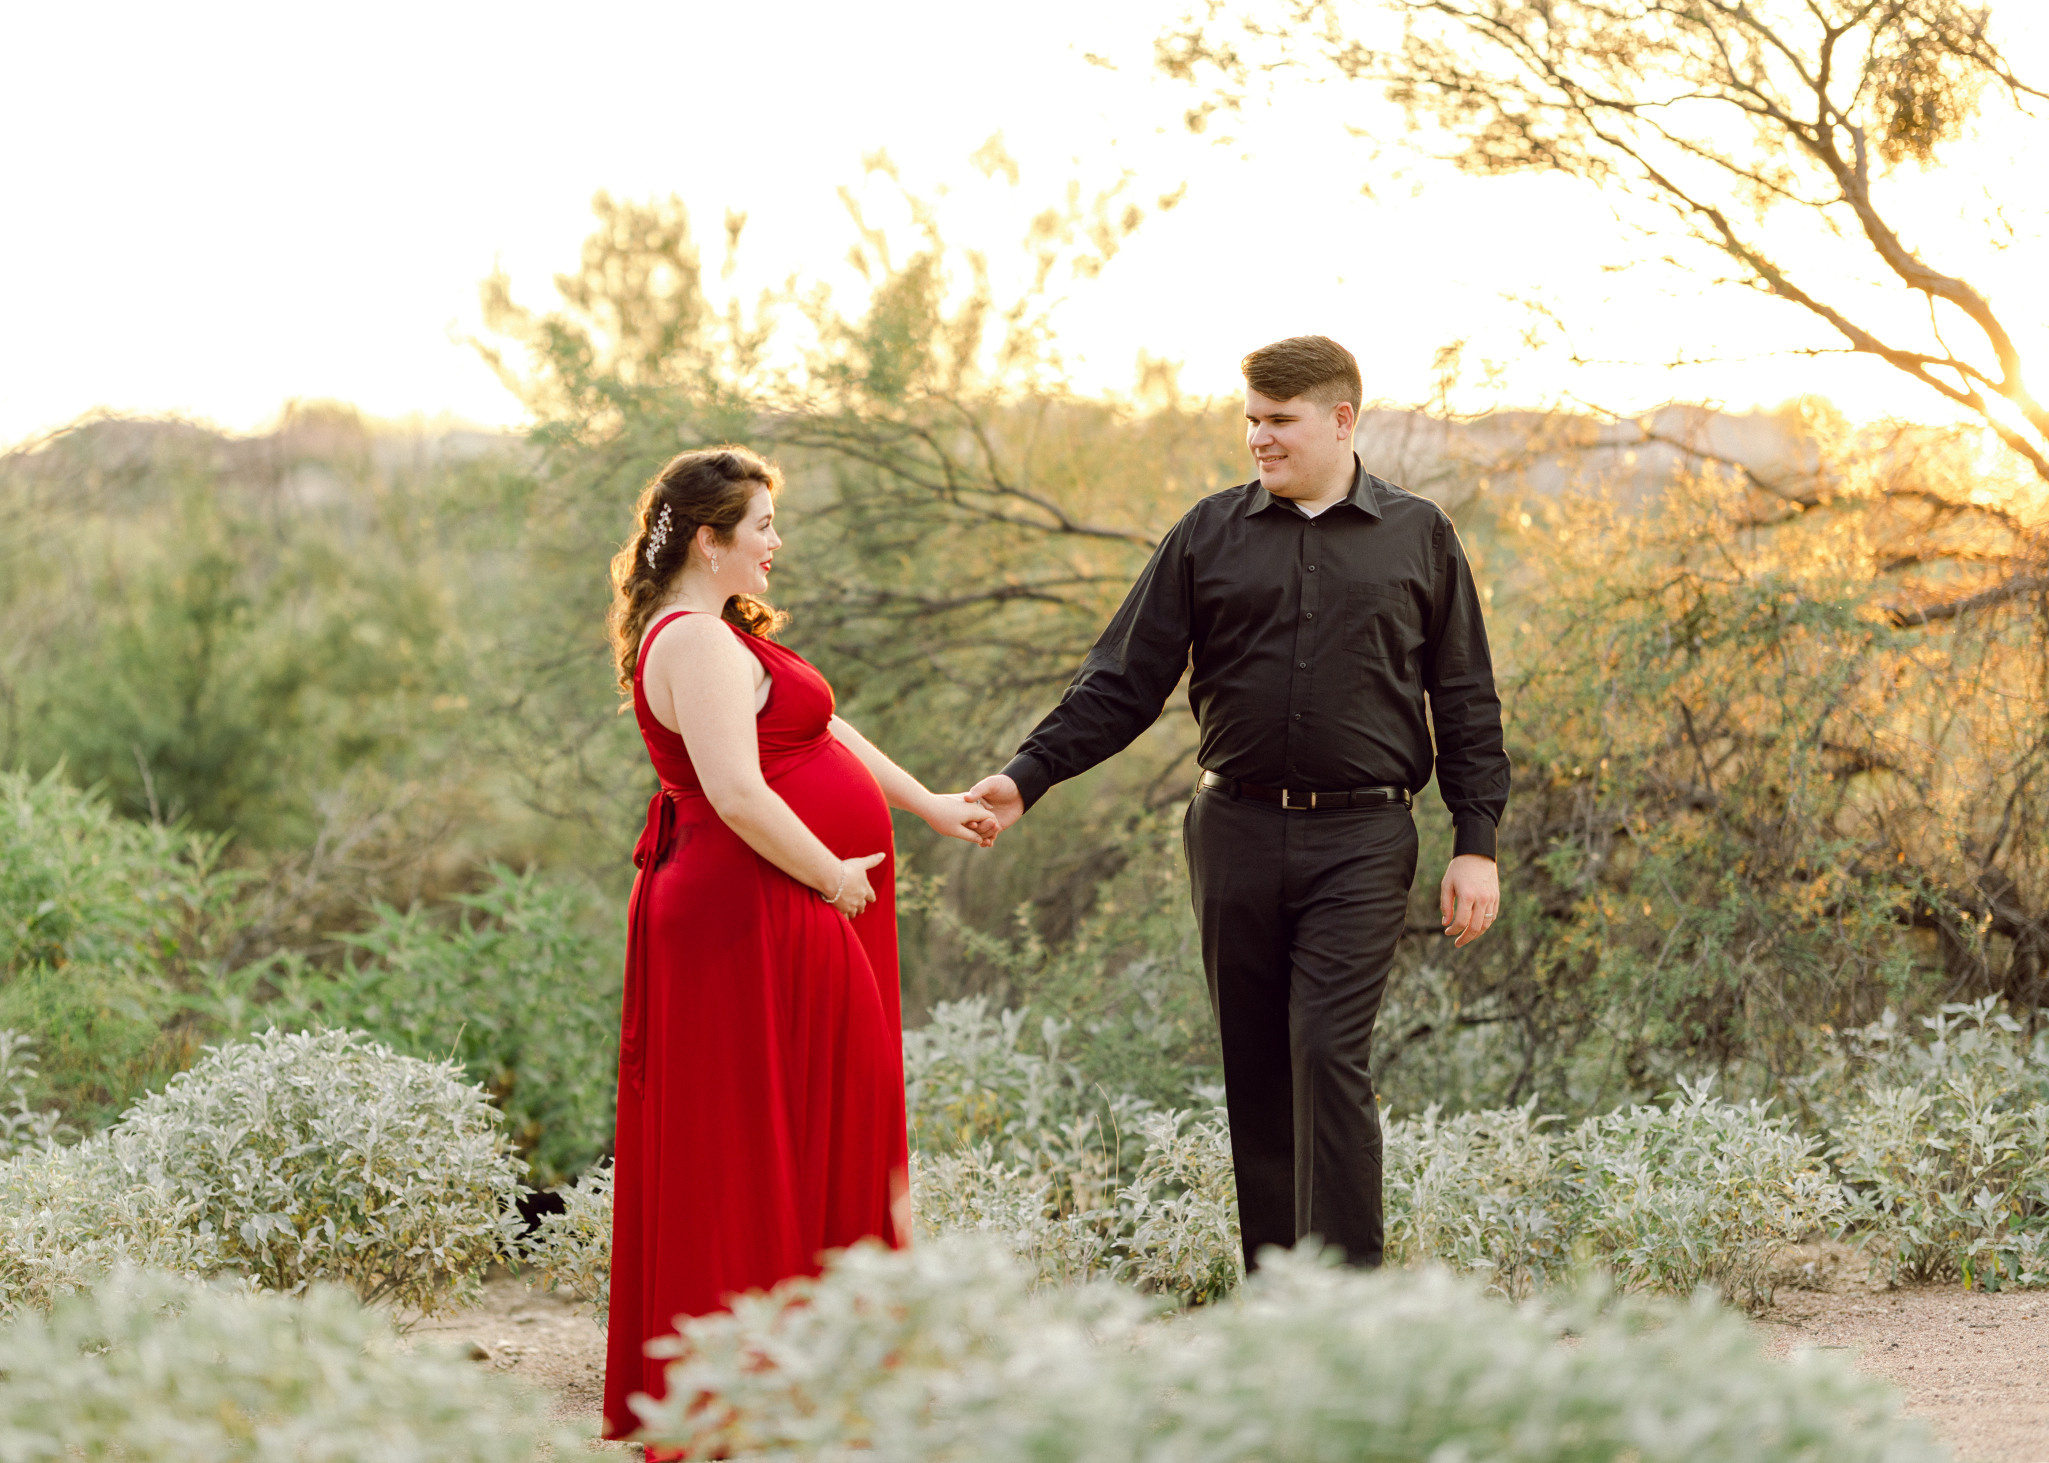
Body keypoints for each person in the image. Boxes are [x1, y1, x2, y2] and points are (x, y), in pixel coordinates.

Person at [967, 336, 1509, 1272]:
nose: (1258, 437)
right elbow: (1121, 681)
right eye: (1250, 419)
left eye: (1278, 421)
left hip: (1364, 834)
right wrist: (1026, 776)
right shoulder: (1207, 533)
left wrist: (1476, 839)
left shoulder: (1420, 534)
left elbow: (1463, 696)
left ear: (1341, 420)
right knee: (1256, 1071)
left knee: (1326, 1053)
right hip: (1234, 831)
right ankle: (1279, 1302)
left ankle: (1346, 1310)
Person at [601, 446, 997, 1446]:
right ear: (710, 538)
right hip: (756, 911)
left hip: (788, 898)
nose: (777, 542)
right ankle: (755, 1386)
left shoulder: (727, 635)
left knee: (819, 1118)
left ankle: (821, 1373)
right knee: (764, 1136)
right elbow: (737, 791)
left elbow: (823, 731)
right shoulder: (689, 641)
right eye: (763, 525)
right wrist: (831, 872)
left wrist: (931, 806)